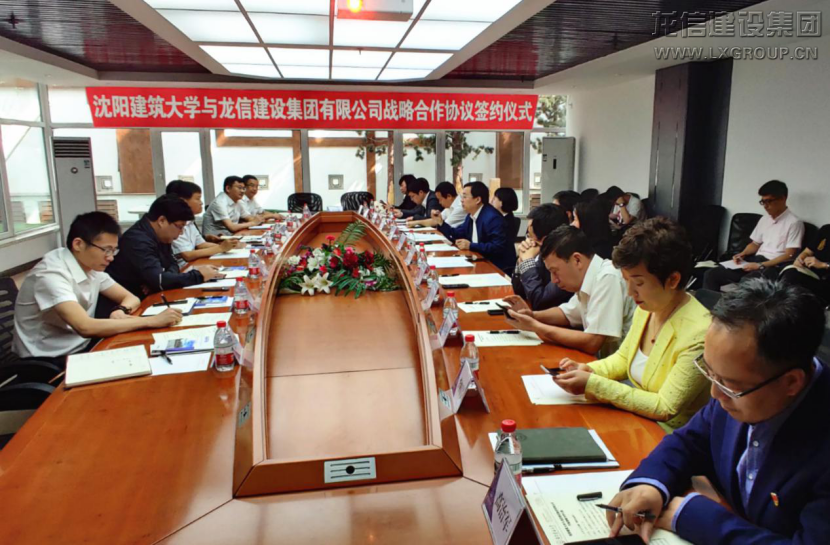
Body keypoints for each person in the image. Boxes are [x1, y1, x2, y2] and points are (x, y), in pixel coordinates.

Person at [605, 279, 829, 545]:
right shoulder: (742, 383)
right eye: (710, 372)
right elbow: (689, 441)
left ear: (791, 383)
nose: (714, 393)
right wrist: (651, 484)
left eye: (728, 384)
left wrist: (696, 517)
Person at [554, 218, 711, 430]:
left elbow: (665, 407)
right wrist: (589, 369)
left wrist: (594, 383)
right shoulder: (648, 308)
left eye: (638, 282)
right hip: (635, 420)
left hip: (670, 433)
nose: (630, 292)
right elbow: (623, 358)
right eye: (626, 281)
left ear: (673, 280)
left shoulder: (699, 333)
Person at [12, 212, 182, 361]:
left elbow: (130, 298)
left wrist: (121, 310)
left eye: (114, 251)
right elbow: (85, 326)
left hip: (83, 347)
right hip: (49, 360)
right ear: (78, 244)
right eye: (106, 250)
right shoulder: (51, 274)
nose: (111, 258)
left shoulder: (89, 265)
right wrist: (152, 321)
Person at [504, 225, 635, 357]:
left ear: (577, 260)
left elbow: (593, 342)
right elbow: (567, 314)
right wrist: (532, 315)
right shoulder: (590, 276)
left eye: (555, 271)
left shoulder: (607, 277)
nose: (553, 280)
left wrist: (535, 326)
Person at [104, 195, 223, 303]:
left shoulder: (161, 235)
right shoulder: (138, 241)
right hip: (123, 305)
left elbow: (172, 264)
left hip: (147, 297)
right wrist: (199, 275)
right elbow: (160, 281)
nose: (181, 232)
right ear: (162, 221)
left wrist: (160, 280)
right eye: (180, 227)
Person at [703, 180, 804, 292]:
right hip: (756, 260)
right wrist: (742, 254)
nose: (765, 206)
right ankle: (711, 303)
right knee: (711, 274)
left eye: (769, 201)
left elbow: (789, 255)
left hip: (773, 265)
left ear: (783, 198)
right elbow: (755, 244)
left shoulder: (794, 223)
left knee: (747, 283)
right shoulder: (765, 219)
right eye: (763, 202)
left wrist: (761, 265)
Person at [435, 181, 516, 274]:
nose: (461, 200)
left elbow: (496, 247)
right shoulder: (471, 216)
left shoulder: (492, 218)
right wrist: (441, 223)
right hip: (479, 260)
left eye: (465, 197)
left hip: (496, 267)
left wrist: (470, 245)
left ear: (477, 199)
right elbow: (457, 234)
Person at [509, 203, 572, 310]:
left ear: (544, 240)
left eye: (529, 235)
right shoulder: (541, 254)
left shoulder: (566, 261)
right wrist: (521, 261)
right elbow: (519, 291)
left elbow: (539, 302)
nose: (527, 240)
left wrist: (527, 262)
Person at [166, 180, 242, 268]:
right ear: (183, 201)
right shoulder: (175, 223)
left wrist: (228, 246)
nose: (201, 202)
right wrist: (220, 248)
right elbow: (187, 255)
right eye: (197, 199)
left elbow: (201, 244)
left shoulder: (190, 221)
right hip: (183, 269)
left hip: (194, 264)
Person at [780, 223, 830, 304]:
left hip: (826, 281)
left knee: (792, 277)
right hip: (811, 272)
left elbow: (822, 264)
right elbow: (807, 252)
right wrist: (800, 259)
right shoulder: (826, 229)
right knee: (787, 272)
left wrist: (823, 265)